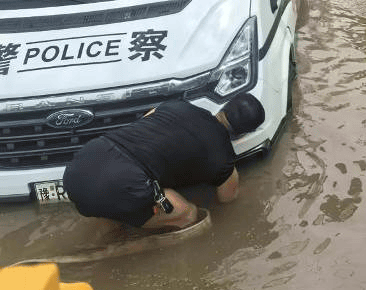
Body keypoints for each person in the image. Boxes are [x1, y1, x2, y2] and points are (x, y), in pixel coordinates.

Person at [62, 98, 248, 230]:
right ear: (242, 134)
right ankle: (124, 243)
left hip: (82, 163)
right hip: (125, 184)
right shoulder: (224, 158)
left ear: (224, 107)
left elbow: (146, 120)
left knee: (131, 198)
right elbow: (227, 201)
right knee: (190, 215)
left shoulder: (177, 105)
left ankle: (115, 222)